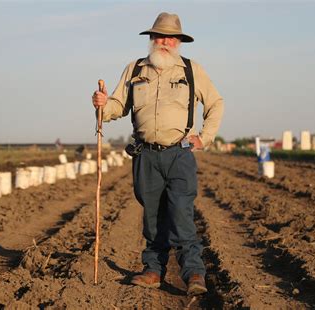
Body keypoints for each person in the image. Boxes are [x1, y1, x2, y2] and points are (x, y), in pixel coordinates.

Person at [92, 12, 224, 295]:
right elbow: (117, 106)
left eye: (171, 37)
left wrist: (205, 138)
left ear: (179, 42)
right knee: (152, 216)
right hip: (145, 156)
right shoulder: (135, 69)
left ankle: (194, 274)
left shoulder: (191, 70)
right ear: (152, 39)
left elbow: (215, 103)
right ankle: (153, 270)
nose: (165, 42)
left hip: (179, 154)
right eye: (160, 36)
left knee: (181, 214)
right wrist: (102, 105)